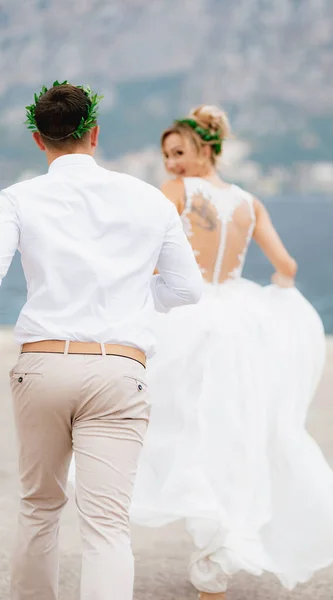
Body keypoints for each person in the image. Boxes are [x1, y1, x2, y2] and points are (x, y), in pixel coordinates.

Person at [129, 105, 333, 599]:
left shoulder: (176, 193)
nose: (171, 164)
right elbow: (286, 264)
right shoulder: (250, 203)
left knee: (176, 432)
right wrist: (275, 298)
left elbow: (142, 253)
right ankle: (216, 560)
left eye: (178, 153)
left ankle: (210, 555)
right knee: (226, 437)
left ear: (204, 149)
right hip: (238, 325)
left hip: (187, 323)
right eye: (166, 157)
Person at [0, 81, 203, 600]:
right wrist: (135, 294)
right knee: (107, 525)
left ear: (38, 139)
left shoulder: (17, 199)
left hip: (42, 367)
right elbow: (185, 287)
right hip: (118, 369)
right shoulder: (148, 198)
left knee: (38, 508)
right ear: (94, 133)